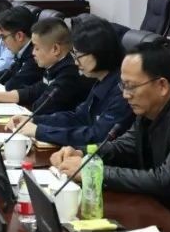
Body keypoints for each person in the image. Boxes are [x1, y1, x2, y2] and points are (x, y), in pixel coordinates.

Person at [51, 41, 170, 216]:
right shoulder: (149, 111)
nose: (125, 95)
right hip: (168, 207)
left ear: (162, 86)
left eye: (131, 87)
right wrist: (80, 153)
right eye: (123, 86)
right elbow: (122, 147)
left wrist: (92, 171)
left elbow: (164, 181)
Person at [15, 17, 133, 147]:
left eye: (79, 56)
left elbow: (97, 136)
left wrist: (40, 131)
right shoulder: (101, 80)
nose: (76, 62)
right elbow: (78, 117)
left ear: (99, 52)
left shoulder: (122, 90)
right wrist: (34, 120)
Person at [3, 17, 91, 116]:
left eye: (37, 48)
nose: (33, 53)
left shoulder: (69, 73)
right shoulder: (55, 66)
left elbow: (40, 108)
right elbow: (33, 91)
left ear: (55, 49)